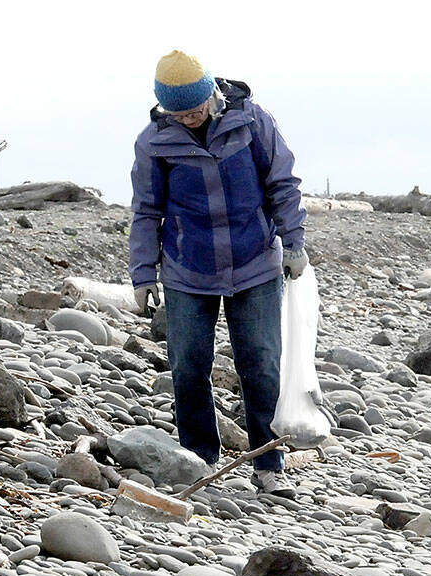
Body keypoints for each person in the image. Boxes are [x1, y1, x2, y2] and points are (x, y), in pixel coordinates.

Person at [129, 50, 309, 496]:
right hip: (188, 269)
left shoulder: (252, 122)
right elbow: (146, 211)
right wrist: (142, 273)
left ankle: (269, 464)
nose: (188, 119)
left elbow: (282, 184)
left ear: (211, 94)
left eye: (194, 109)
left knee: (261, 365)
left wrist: (295, 242)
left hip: (255, 264)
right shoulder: (154, 142)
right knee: (188, 365)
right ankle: (200, 460)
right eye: (178, 113)